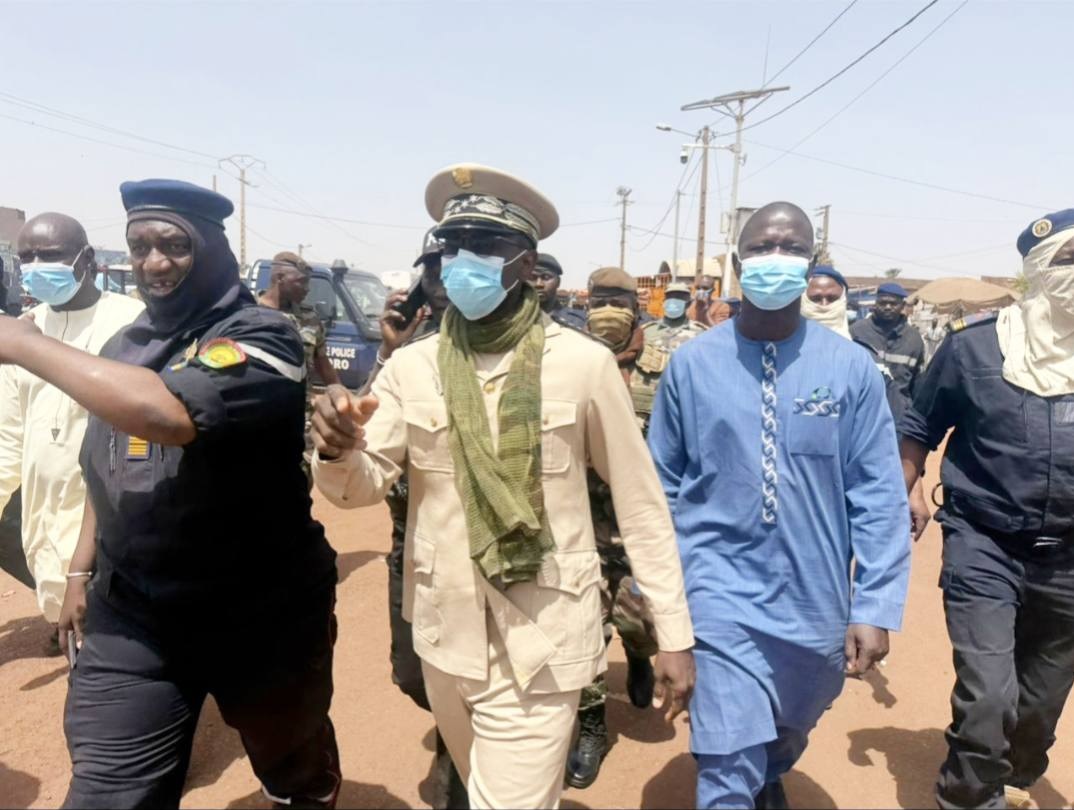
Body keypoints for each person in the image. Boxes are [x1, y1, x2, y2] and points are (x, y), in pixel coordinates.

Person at [312, 163, 694, 809]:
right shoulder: (413, 365)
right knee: (478, 784)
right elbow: (359, 489)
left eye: (487, 248)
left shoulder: (583, 364)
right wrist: (336, 448)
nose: (467, 263)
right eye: (454, 248)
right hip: (445, 630)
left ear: (525, 263)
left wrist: (675, 633)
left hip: (545, 631)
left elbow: (640, 504)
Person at [0, 180, 342, 808]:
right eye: (139, 247)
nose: (153, 263)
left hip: (261, 614)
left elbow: (168, 414)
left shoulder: (264, 337)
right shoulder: (126, 348)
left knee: (289, 764)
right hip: (136, 612)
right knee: (110, 789)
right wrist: (80, 573)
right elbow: (110, 471)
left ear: (210, 250)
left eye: (173, 245)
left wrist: (21, 343)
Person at [648, 201, 910, 809]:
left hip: (813, 597)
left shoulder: (850, 368)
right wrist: (659, 597)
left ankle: (768, 770)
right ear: (739, 263)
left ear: (810, 262)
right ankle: (739, 776)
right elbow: (658, 487)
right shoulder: (692, 364)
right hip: (716, 592)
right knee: (725, 762)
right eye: (762, 248)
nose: (775, 259)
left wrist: (874, 604)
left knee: (790, 726)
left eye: (790, 248)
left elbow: (877, 492)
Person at [900, 209, 1074, 810]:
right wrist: (910, 488)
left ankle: (1012, 775)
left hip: (1071, 560)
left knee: (1040, 706)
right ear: (1035, 274)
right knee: (988, 696)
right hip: (986, 543)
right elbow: (920, 423)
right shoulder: (974, 349)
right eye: (1068, 261)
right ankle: (969, 798)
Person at [0, 213, 144, 642]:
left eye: (52, 255)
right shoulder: (22, 334)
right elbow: (8, 436)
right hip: (43, 512)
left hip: (111, 516)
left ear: (88, 259)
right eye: (28, 257)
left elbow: (138, 437)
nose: (38, 265)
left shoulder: (131, 323)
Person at [365, 229, 469, 808]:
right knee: (412, 673)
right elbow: (361, 441)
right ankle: (456, 729)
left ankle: (462, 753)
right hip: (414, 540)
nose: (447, 279)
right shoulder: (408, 354)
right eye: (435, 269)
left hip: (482, 542)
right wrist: (387, 352)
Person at [563, 267, 664, 790]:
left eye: (618, 299)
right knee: (582, 630)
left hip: (641, 526)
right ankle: (592, 726)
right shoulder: (564, 357)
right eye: (600, 299)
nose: (609, 308)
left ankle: (641, 659)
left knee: (641, 623)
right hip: (576, 522)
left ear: (638, 305)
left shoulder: (668, 360)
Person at [258, 251, 341, 480]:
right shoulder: (247, 314)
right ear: (280, 278)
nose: (307, 289)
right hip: (257, 417)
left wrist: (340, 395)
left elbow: (323, 364)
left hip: (299, 420)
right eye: (301, 282)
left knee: (302, 480)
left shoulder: (310, 318)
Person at [850, 282, 925, 425]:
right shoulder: (857, 332)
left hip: (898, 418)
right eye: (883, 303)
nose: (888, 307)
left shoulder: (914, 338)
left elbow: (918, 384)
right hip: (861, 414)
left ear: (902, 306)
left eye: (893, 304)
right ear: (875, 303)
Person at [632, 282, 707, 424]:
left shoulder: (701, 333)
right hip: (649, 408)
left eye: (680, 297)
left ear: (689, 303)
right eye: (670, 297)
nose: (674, 301)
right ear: (664, 301)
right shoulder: (646, 331)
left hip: (686, 404)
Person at [800, 264, 850, 338]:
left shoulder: (860, 340)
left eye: (832, 298)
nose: (824, 305)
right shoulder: (783, 340)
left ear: (843, 300)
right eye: (816, 299)